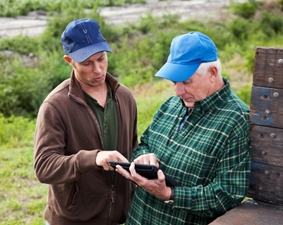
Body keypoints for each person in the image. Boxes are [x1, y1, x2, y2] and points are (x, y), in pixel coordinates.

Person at [114, 31, 251, 225]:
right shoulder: (171, 104)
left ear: (212, 73)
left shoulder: (237, 120)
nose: (178, 91)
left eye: (186, 82)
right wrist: (143, 157)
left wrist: (170, 194)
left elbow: (227, 194)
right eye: (174, 82)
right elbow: (145, 144)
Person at [33, 18, 138, 225]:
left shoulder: (125, 96)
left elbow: (132, 148)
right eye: (87, 63)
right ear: (69, 60)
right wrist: (93, 158)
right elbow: (44, 167)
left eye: (101, 58)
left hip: (120, 218)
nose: (97, 69)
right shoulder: (55, 106)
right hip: (73, 220)